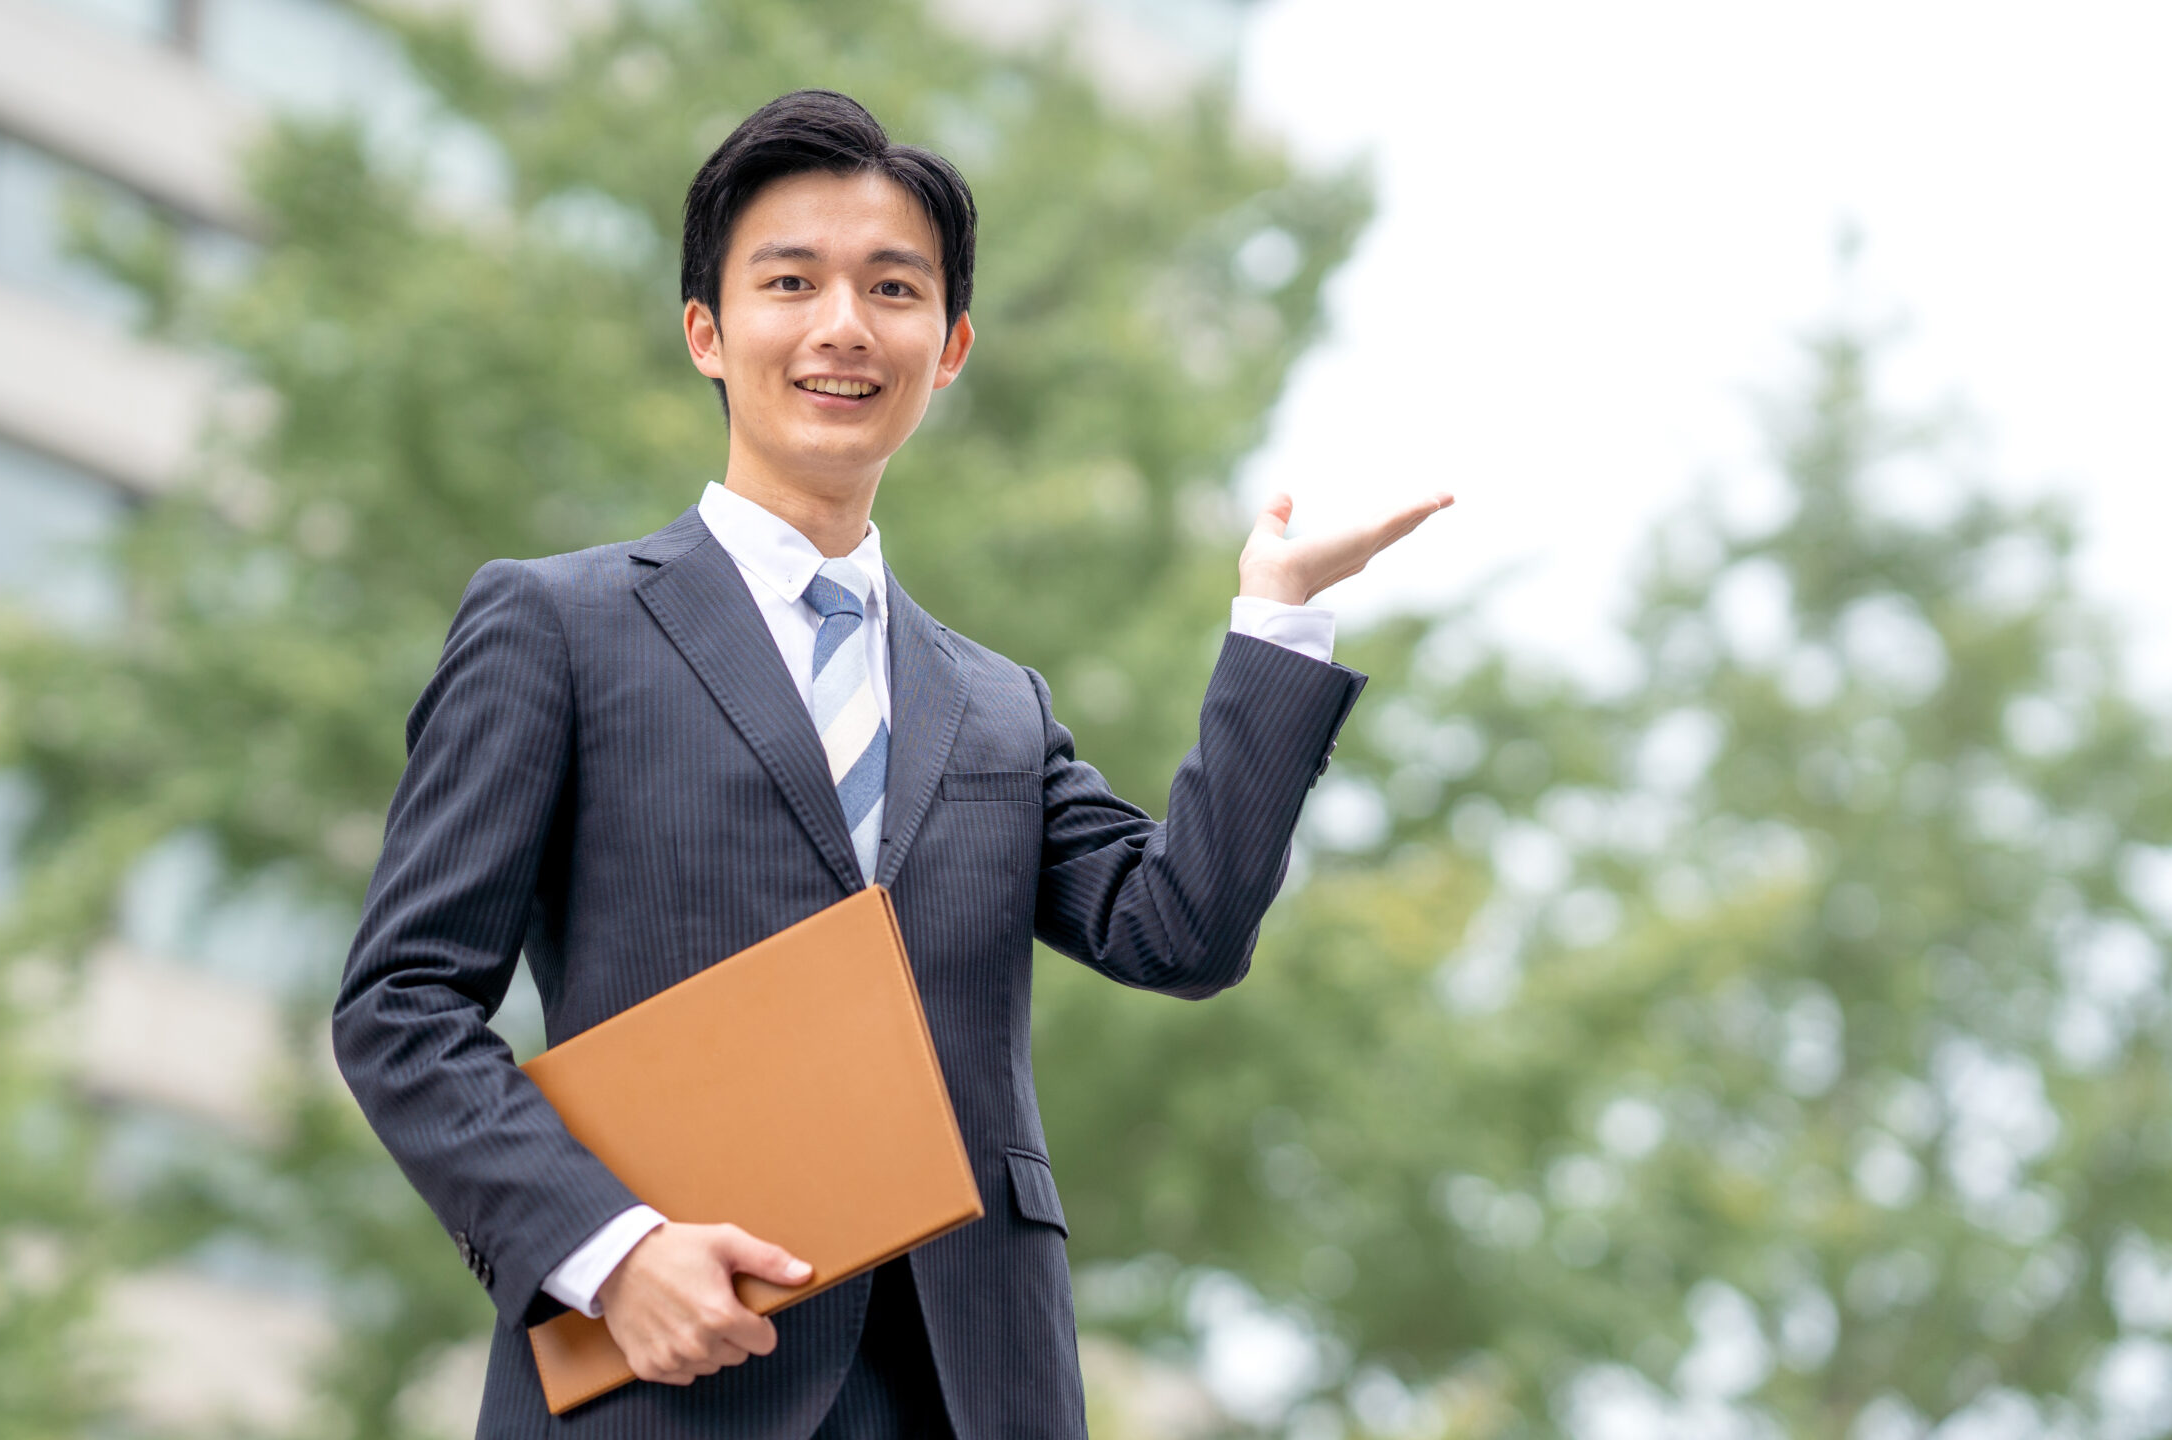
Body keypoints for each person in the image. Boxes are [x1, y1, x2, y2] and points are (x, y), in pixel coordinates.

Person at [332, 88, 1451, 1439]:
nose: (843, 326)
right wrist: (610, 1253)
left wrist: (1276, 623)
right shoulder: (557, 629)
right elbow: (401, 1007)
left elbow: (1184, 933)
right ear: (706, 330)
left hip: (974, 1387)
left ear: (953, 344)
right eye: (790, 282)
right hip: (676, 1376)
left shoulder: (997, 708)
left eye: (893, 288)